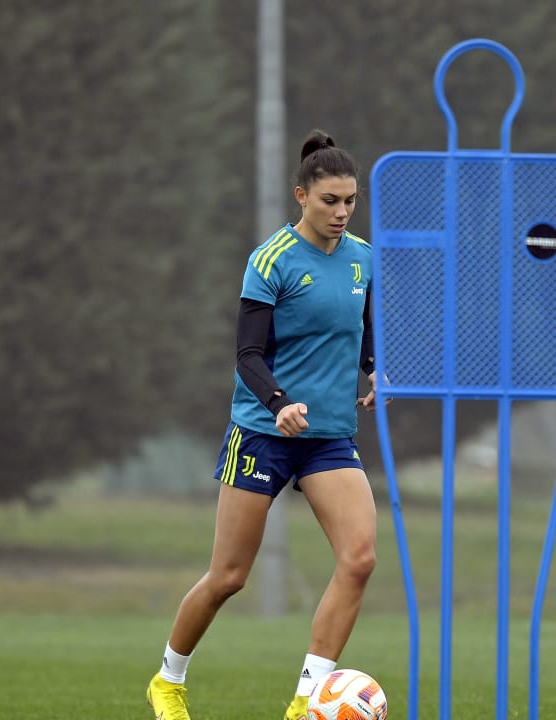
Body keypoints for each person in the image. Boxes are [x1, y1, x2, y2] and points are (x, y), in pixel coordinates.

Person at [146, 129, 383, 720]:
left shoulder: (363, 258)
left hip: (328, 437)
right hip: (263, 432)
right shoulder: (271, 259)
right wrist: (279, 402)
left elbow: (365, 326)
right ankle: (168, 681)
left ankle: (308, 701)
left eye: (350, 200)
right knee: (229, 576)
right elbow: (248, 354)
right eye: (330, 200)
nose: (341, 211)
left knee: (359, 559)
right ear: (300, 195)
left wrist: (375, 369)